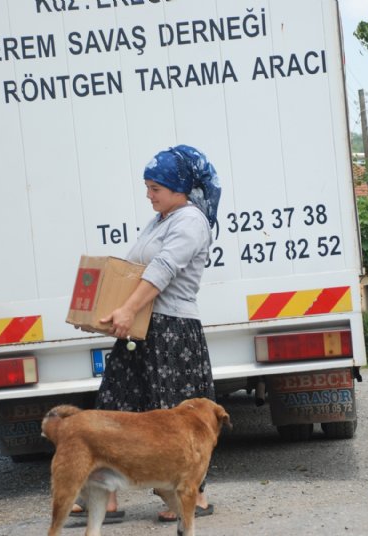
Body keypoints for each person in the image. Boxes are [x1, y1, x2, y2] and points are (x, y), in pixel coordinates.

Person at [71, 145, 221, 523]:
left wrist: (127, 310)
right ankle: (103, 497)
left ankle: (194, 497)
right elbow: (132, 272)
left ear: (178, 188)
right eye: (147, 187)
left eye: (155, 188)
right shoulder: (160, 220)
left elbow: (162, 270)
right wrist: (99, 312)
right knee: (114, 409)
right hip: (141, 330)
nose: (149, 195)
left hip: (172, 333)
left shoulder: (190, 221)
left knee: (177, 419)